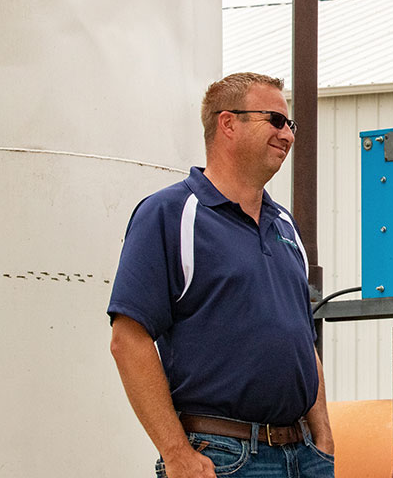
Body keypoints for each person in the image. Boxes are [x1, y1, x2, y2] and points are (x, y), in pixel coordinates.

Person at [108, 72, 334, 478]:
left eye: (291, 125)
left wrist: (324, 441)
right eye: (276, 121)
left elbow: (301, 336)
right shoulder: (170, 214)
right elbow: (128, 340)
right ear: (228, 123)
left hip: (303, 457)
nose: (288, 135)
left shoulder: (286, 225)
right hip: (223, 460)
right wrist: (176, 452)